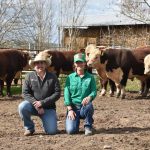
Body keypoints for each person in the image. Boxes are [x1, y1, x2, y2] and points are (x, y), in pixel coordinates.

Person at [18, 53, 61, 136]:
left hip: (48, 108)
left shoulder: (53, 76)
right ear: (34, 65)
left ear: (45, 65)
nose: (39, 65)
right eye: (37, 63)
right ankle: (29, 128)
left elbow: (57, 93)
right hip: (33, 106)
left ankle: (47, 124)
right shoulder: (29, 76)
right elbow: (25, 93)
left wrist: (42, 103)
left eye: (42, 63)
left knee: (51, 131)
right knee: (22, 106)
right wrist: (37, 105)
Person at [64, 53, 97, 136]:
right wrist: (70, 109)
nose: (79, 64)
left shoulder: (90, 77)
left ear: (84, 63)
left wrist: (90, 97)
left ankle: (88, 126)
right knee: (71, 131)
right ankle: (75, 122)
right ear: (75, 64)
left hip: (84, 106)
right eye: (77, 62)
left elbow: (94, 91)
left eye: (81, 62)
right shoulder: (70, 77)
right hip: (73, 108)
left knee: (89, 105)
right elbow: (66, 93)